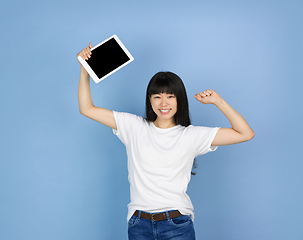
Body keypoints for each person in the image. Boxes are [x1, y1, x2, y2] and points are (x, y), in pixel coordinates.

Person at [77, 43, 255, 240]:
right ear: (150, 100)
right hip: (139, 224)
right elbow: (86, 108)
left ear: (180, 100)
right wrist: (84, 69)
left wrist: (218, 102)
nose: (164, 103)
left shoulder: (192, 135)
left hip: (177, 224)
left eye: (171, 96)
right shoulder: (133, 126)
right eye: (158, 96)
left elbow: (245, 133)